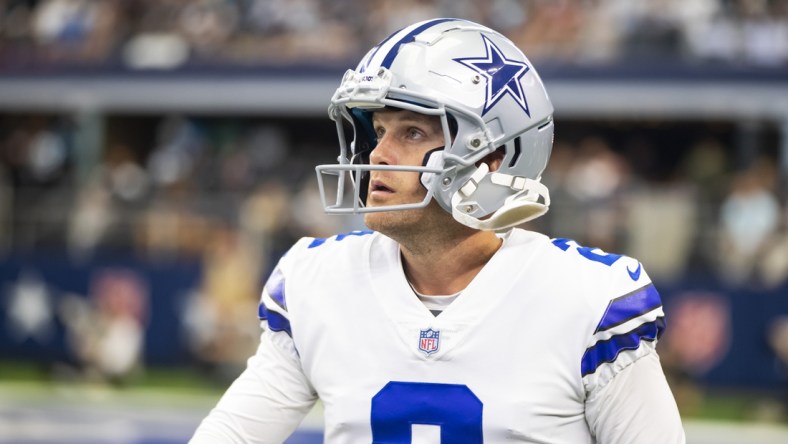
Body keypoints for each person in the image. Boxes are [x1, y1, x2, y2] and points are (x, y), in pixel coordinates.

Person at [190, 18, 685, 443]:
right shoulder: (315, 281)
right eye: (379, 131)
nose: (378, 154)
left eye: (412, 132)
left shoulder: (589, 299)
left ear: (490, 159)